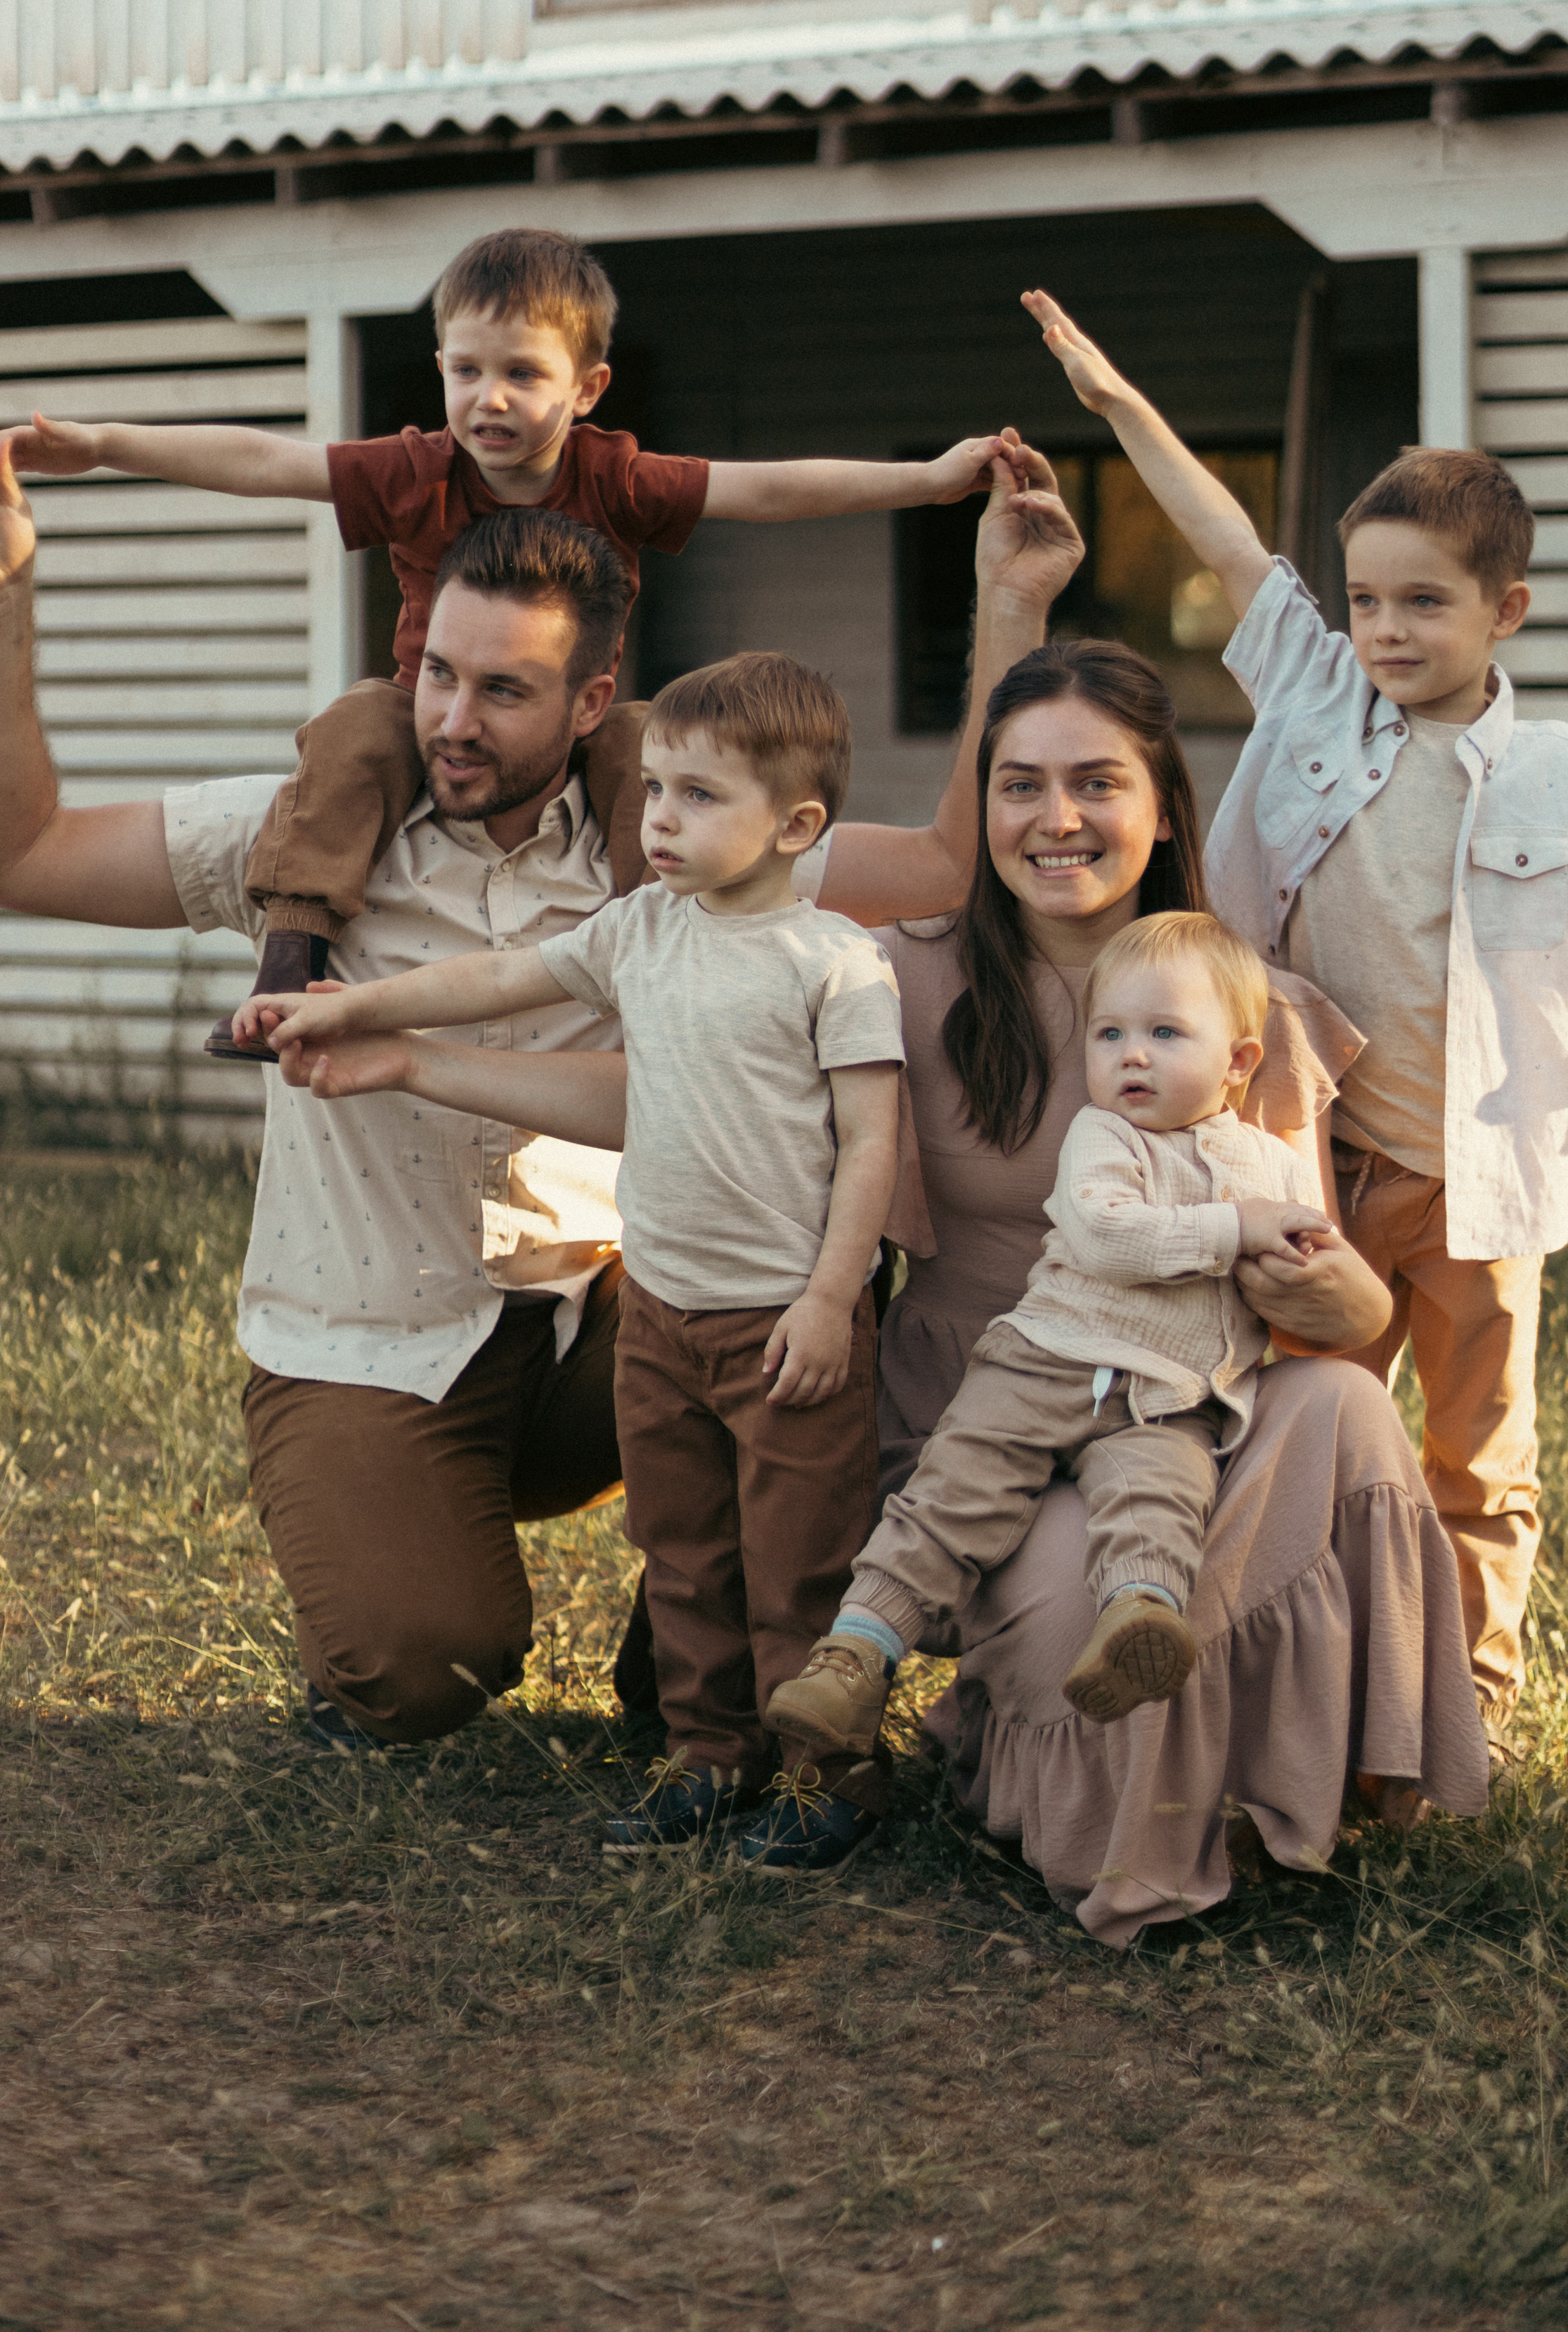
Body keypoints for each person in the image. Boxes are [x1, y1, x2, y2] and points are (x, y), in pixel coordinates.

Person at [0, 427, 1081, 1759]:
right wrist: (12, 588)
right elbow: (30, 855)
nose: (453, 720)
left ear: (591, 700)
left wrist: (1010, 606)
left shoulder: (676, 838)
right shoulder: (305, 831)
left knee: (834, 1274)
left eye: (503, 691)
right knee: (423, 1665)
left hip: (610, 1327)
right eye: (437, 674)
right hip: (367, 1332)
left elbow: (943, 865)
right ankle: (390, 1538)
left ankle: (703, 1658)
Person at [1023, 285, 1568, 1753]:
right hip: (1301, 1167)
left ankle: (1473, 1716)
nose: (1381, 627)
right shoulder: (1312, 692)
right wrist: (1119, 409)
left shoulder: (1557, 771)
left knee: (1475, 1457)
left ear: (1503, 612)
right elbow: (1223, 543)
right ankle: (1298, 1685)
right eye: (1365, 597)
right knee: (1290, 1426)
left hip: (1476, 1180)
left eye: (1420, 603)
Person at [853, 637, 1491, 1941]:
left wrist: (1338, 1297)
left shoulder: (1245, 1009)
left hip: (1189, 1414)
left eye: (1097, 782)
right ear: (980, 807)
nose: (1058, 819)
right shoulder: (900, 978)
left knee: (1351, 1412)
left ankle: (1309, 1777)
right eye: (1020, 784)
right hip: (999, 1421)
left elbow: (1346, 1311)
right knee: (1090, 1603)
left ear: (1159, 808)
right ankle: (1100, 1791)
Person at [10, 226, 1013, 1052]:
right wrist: (103, 448)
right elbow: (267, 462)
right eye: (465, 370)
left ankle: (659, 972)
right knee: (358, 725)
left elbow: (771, 486)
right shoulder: (417, 469)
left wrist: (926, 483)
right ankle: (294, 958)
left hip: (579, 740)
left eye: (522, 374)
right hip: (409, 728)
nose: (489, 399)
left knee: (647, 744)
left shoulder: (616, 475)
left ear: (586, 387)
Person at [250, 650, 908, 1875]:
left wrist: (831, 1298)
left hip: (784, 1321)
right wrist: (358, 1008)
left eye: (701, 797)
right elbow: (498, 975)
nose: (660, 820)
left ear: (798, 824)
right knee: (684, 1545)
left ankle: (833, 1773)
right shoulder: (640, 930)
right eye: (655, 791)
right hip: (658, 1310)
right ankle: (707, 1756)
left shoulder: (835, 962)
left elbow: (873, 1144)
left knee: (795, 1555)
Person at [767, 910, 1333, 1752]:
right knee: (954, 1495)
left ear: (1239, 1062)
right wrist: (1235, 1230)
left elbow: (1309, 1262)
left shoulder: (1276, 1168)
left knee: (1160, 1505)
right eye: (1110, 1035)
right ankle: (856, 1654)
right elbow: (1110, 1234)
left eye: (1164, 1033)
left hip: (1168, 1397)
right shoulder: (1100, 1137)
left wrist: (1307, 1264)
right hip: (1043, 1363)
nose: (1130, 1054)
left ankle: (1137, 1622)